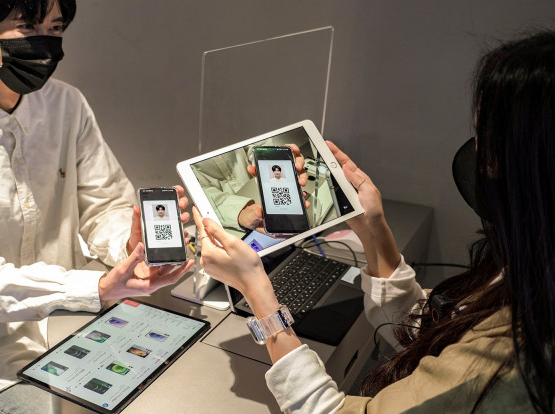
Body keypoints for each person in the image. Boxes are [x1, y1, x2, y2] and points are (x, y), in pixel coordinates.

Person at [193, 30, 555, 413]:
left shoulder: (516, 351)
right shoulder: (529, 273)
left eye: (484, 145)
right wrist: (371, 228)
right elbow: (432, 332)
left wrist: (259, 296)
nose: (477, 159)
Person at [0, 1, 192, 413]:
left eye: (55, 28)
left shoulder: (65, 104)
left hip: (72, 326)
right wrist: (96, 288)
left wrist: (130, 246)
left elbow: (104, 205)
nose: (44, 44)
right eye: (27, 27)